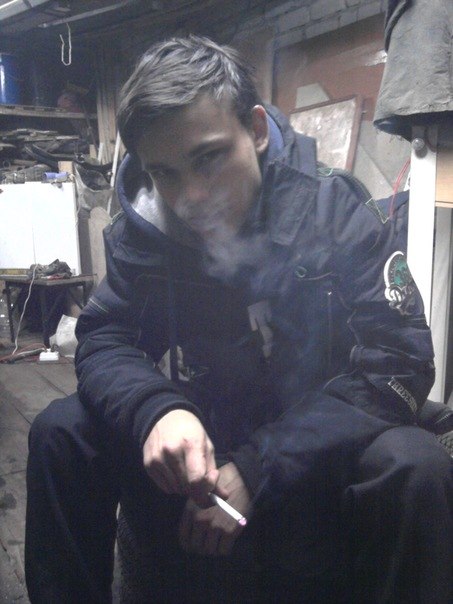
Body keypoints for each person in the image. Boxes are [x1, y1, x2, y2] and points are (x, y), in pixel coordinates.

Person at [25, 35, 453, 603]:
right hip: (203, 434)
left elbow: (400, 360)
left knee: (417, 465)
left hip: (316, 440)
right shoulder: (145, 229)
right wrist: (157, 409)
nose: (191, 197)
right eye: (166, 173)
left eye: (208, 158)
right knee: (61, 431)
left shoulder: (333, 211)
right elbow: (105, 336)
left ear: (255, 130)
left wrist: (259, 467)